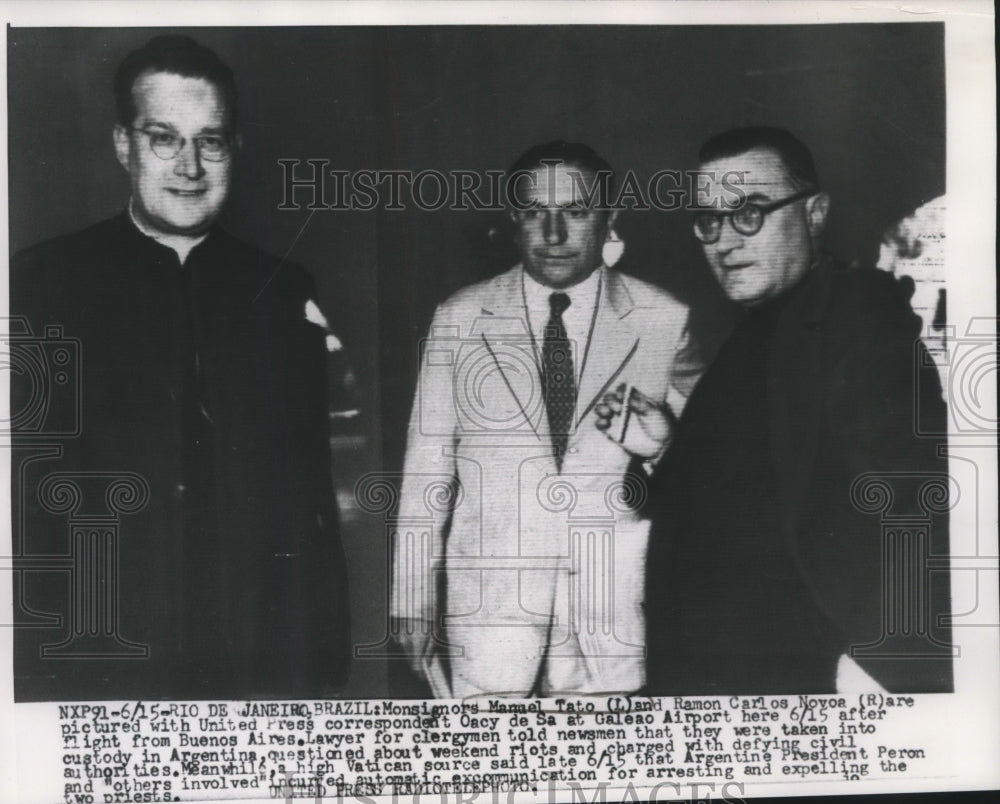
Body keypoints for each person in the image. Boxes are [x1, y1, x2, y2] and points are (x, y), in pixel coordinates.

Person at [11, 35, 350, 700]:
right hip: (97, 644)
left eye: (212, 140)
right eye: (164, 137)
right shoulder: (40, 282)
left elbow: (310, 490)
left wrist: (320, 652)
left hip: (257, 646)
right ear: (122, 144)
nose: (190, 165)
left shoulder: (283, 288)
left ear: (236, 150)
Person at [602, 126, 952, 694]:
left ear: (815, 213)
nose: (723, 240)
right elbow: (754, 499)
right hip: (713, 682)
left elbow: (913, 495)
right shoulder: (763, 326)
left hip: (790, 687)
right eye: (709, 220)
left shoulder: (853, 312)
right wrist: (667, 446)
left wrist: (883, 661)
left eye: (750, 212)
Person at [390, 141, 690, 697]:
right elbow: (426, 472)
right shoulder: (459, 317)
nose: (553, 234)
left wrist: (662, 447)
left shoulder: (664, 321)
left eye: (575, 212)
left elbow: (702, 474)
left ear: (609, 218)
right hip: (490, 620)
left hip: (613, 617)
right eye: (534, 212)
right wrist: (411, 599)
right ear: (514, 218)